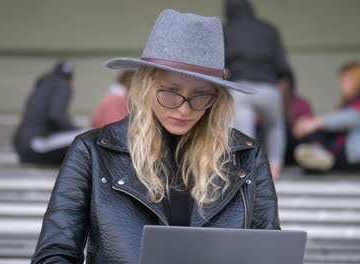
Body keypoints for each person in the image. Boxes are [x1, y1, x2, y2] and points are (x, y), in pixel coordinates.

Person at [31, 9, 279, 263]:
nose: (184, 108)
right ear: (146, 86)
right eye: (171, 92)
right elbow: (54, 254)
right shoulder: (92, 151)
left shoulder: (247, 157)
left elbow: (270, 253)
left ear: (218, 97)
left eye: (201, 95)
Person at [223, 0, 291, 178]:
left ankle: (248, 167)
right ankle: (275, 167)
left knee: (243, 131)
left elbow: (220, 65)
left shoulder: (226, 30)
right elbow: (283, 67)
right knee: (275, 125)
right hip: (269, 89)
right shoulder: (269, 30)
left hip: (240, 89)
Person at [294, 61, 360, 172]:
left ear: (356, 79)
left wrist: (313, 123)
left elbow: (353, 118)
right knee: (312, 154)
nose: (341, 86)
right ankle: (317, 154)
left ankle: (320, 156)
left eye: (344, 81)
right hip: (353, 156)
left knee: (317, 133)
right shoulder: (348, 104)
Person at [12, 61, 87, 165]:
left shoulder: (42, 86)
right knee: (91, 136)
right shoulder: (63, 84)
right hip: (36, 146)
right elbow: (56, 116)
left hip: (23, 148)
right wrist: (74, 129)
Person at [277, 70, 314, 165]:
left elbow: (307, 124)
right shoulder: (269, 104)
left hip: (295, 144)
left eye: (284, 85)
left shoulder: (300, 103)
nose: (281, 89)